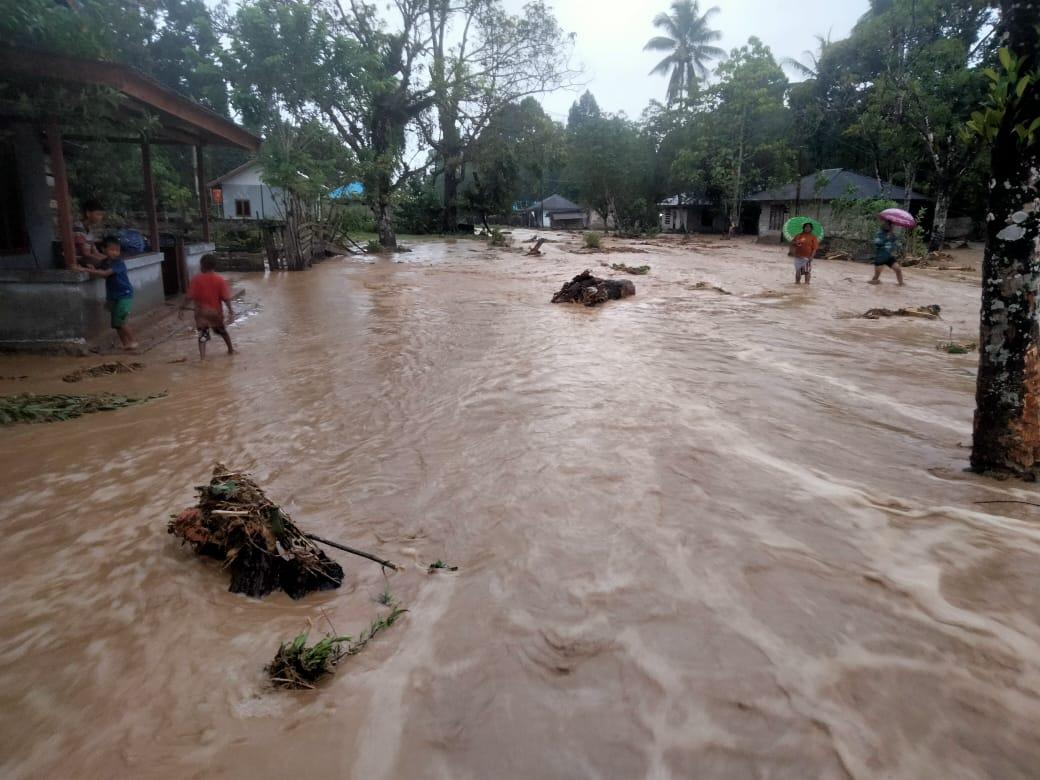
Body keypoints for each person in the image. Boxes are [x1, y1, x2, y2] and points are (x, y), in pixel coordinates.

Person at [79, 235, 138, 350]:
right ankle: (126, 344)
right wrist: (91, 268)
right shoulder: (105, 262)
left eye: (117, 250)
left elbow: (105, 274)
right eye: (112, 250)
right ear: (104, 250)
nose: (115, 253)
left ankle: (133, 341)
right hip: (113, 296)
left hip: (124, 295)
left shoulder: (119, 263)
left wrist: (86, 269)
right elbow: (100, 270)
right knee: (116, 324)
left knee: (120, 321)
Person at [181, 253, 234, 359]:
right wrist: (231, 310)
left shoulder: (196, 280)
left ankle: (202, 358)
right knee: (222, 331)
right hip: (215, 313)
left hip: (201, 313)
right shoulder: (219, 280)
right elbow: (226, 298)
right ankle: (230, 350)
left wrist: (182, 307)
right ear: (214, 266)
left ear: (202, 266)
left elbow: (189, 296)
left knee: (202, 335)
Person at [870, 220, 905, 285]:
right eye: (886, 224)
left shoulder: (892, 235)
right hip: (880, 257)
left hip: (889, 256)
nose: (887, 225)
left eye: (889, 225)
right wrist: (886, 238)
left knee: (898, 270)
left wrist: (895, 241)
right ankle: (871, 284)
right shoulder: (879, 233)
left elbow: (894, 245)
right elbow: (877, 243)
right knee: (876, 277)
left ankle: (901, 285)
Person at [73, 199, 107, 266]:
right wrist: (104, 260)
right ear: (88, 213)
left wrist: (108, 258)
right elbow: (85, 253)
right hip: (78, 261)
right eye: (98, 214)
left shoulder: (90, 230)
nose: (100, 217)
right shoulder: (78, 228)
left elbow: (95, 252)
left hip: (87, 259)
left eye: (101, 215)